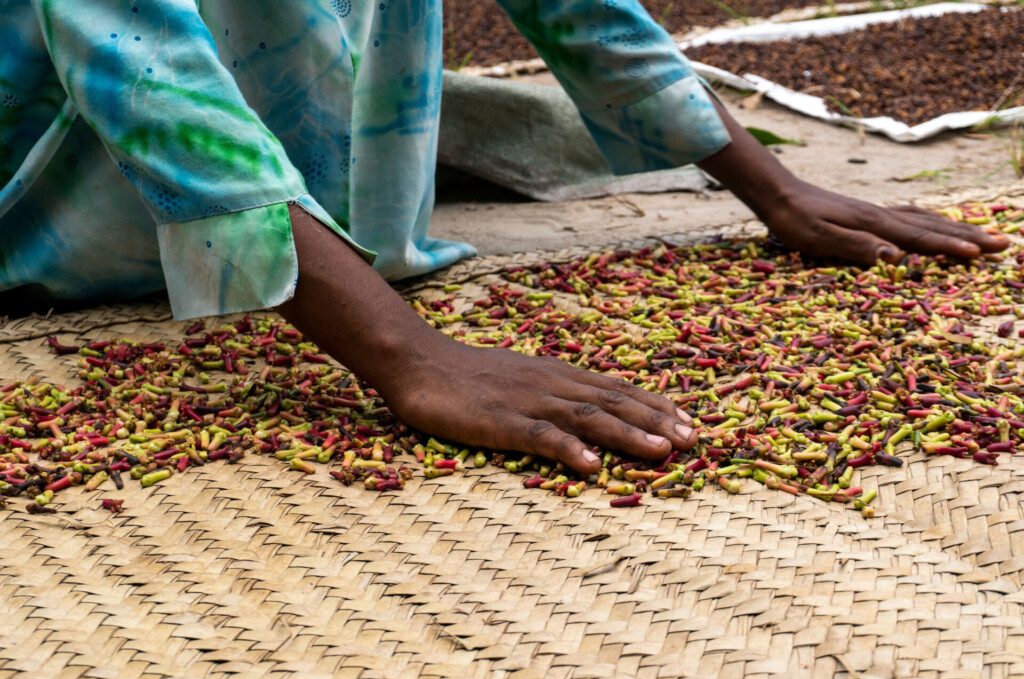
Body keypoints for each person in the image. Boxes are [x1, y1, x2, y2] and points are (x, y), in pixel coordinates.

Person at [1, 1, 1007, 475]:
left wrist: (769, 184)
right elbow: (147, 72)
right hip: (57, 196)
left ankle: (325, 228)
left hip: (342, 178)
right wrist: (407, 350)